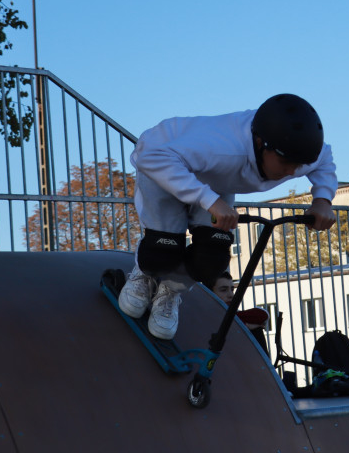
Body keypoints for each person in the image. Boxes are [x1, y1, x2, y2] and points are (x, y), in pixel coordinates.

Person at [118, 93, 337, 340]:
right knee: (162, 251)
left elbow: (324, 159)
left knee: (213, 258)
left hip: (216, 178)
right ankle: (144, 274)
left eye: (298, 167)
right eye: (286, 164)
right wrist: (210, 201)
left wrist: (322, 199)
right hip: (164, 164)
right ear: (259, 142)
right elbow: (149, 155)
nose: (291, 172)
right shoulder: (222, 147)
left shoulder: (293, 152)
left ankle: (170, 290)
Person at [207, 270, 270, 351]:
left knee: (256, 330)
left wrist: (241, 324)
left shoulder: (235, 316)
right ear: (209, 293)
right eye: (223, 290)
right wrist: (243, 325)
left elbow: (263, 314)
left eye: (232, 289)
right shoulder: (203, 318)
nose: (231, 295)